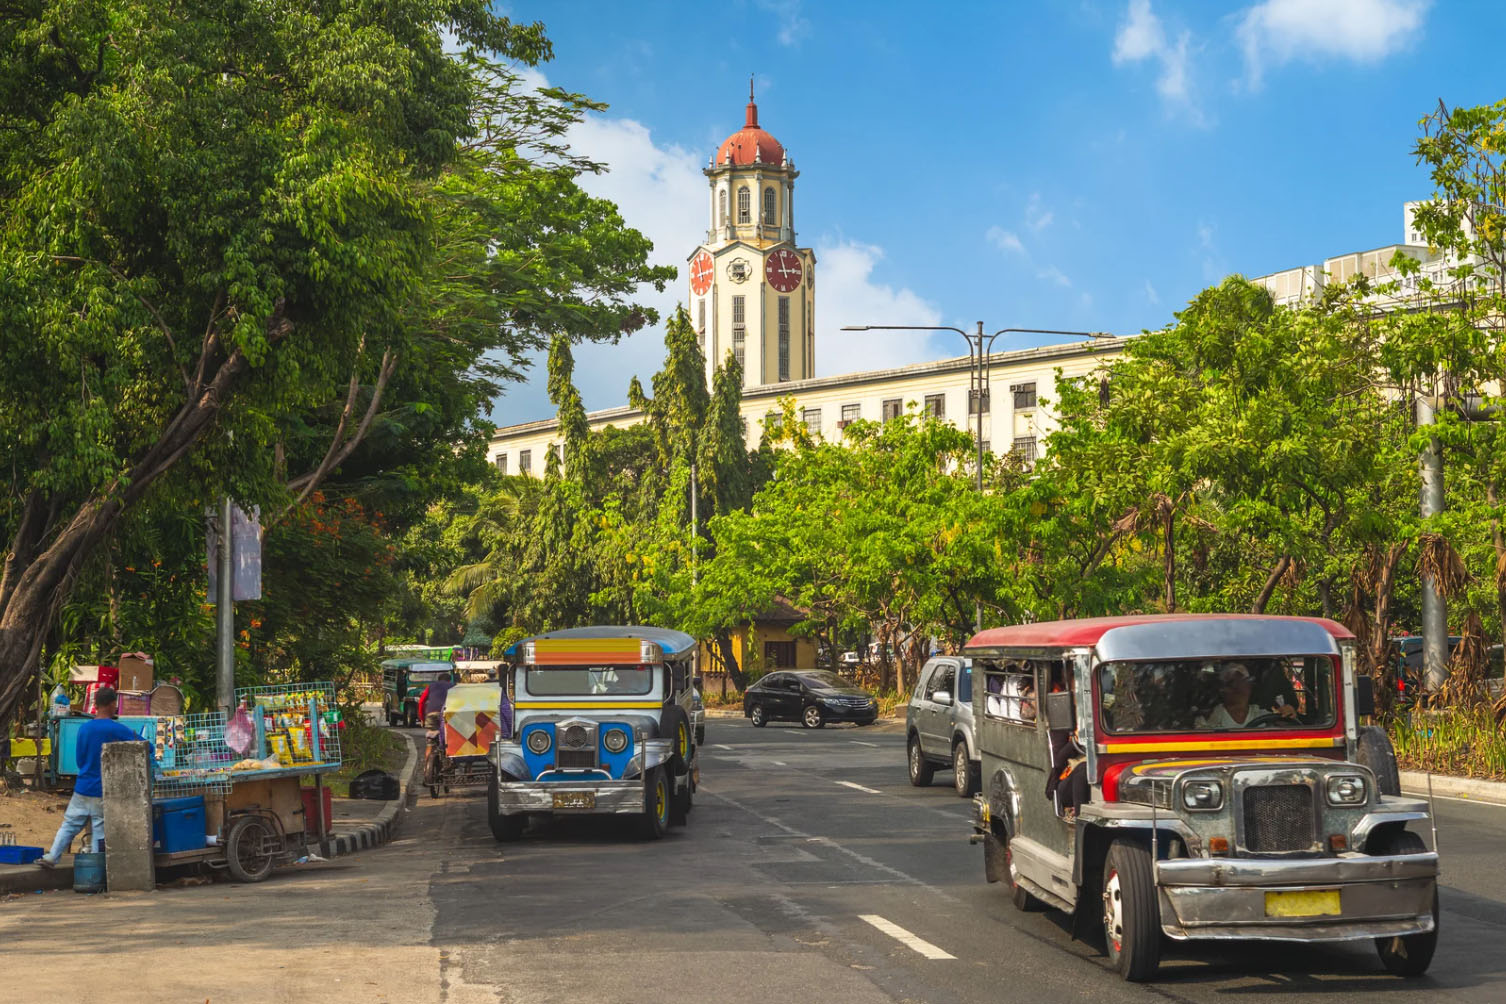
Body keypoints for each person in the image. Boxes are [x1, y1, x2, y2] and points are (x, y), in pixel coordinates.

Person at [39, 687, 155, 868]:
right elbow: (147, 746)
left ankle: (52, 856)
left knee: (69, 824)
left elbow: (79, 759)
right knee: (100, 828)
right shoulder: (116, 729)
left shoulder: (84, 729)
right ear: (112, 704)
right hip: (103, 788)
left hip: (82, 787)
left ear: (95, 705)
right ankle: (96, 868)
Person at [1196, 663, 1297, 729]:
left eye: (1242, 682)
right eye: (1231, 683)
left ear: (1250, 687)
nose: (1238, 687)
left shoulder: (1262, 714)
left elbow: (1286, 732)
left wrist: (1286, 717)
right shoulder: (1209, 718)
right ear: (1223, 689)